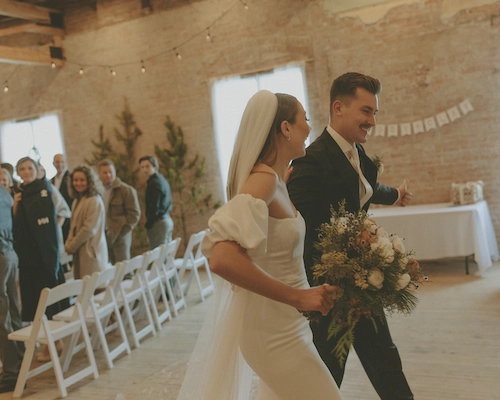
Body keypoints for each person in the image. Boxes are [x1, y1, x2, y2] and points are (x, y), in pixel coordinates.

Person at [178, 90, 344, 400]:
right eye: (304, 120)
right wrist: (298, 296)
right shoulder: (263, 180)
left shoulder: (276, 179)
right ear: (285, 128)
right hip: (273, 335)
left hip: (288, 325)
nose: (309, 128)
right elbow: (221, 258)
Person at [287, 72, 413, 400]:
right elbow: (298, 229)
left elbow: (366, 189)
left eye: (374, 113)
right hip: (329, 291)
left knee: (386, 362)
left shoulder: (359, 155)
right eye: (366, 111)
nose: (372, 120)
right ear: (339, 108)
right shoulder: (311, 160)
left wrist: (395, 194)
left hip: (362, 287)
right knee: (327, 374)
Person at [12, 157, 67, 322]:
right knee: (33, 297)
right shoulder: (19, 193)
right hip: (28, 254)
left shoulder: (44, 189)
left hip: (45, 253)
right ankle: (42, 333)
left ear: (37, 170)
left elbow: (56, 216)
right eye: (22, 169)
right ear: (18, 172)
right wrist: (15, 205)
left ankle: (54, 336)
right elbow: (16, 222)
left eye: (30, 168)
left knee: (48, 293)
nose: (27, 172)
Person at [0, 185, 24, 393]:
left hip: (1, 255)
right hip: (8, 252)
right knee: (12, 310)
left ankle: (10, 373)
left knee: (2, 316)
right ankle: (20, 361)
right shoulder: (2, 190)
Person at [64, 165, 108, 279]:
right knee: (83, 289)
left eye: (82, 180)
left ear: (90, 181)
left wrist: (72, 246)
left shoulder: (94, 200)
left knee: (95, 288)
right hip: (79, 251)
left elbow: (88, 229)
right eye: (75, 180)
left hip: (91, 250)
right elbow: (73, 226)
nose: (78, 183)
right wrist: (68, 242)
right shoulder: (77, 200)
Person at [98, 159, 140, 264]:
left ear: (114, 172)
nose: (108, 175)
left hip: (121, 234)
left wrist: (123, 231)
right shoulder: (97, 191)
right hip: (105, 234)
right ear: (99, 173)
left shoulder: (126, 190)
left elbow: (134, 214)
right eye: (105, 172)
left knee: (124, 268)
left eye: (110, 172)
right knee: (110, 267)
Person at [138, 156, 174, 249]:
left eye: (147, 166)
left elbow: (154, 206)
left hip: (159, 223)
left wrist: (149, 223)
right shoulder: (161, 179)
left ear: (154, 166)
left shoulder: (154, 183)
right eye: (142, 167)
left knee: (159, 256)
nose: (144, 169)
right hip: (166, 220)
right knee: (166, 253)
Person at [50, 154, 72, 242]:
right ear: (53, 164)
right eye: (57, 162)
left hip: (70, 217)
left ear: (66, 163)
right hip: (57, 217)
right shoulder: (51, 181)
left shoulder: (71, 178)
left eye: (62, 162)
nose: (60, 164)